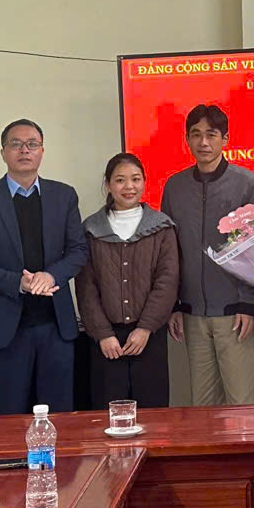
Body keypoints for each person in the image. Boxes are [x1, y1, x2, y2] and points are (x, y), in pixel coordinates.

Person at [0, 118, 88, 414]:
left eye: (32, 144)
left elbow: (78, 250)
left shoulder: (63, 195)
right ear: (3, 152)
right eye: (15, 144)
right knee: (11, 416)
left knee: (59, 415)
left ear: (42, 151)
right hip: (6, 328)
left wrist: (51, 275)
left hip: (56, 327)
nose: (24, 150)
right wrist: (17, 282)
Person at [163, 104, 254, 406]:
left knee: (242, 405)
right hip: (192, 313)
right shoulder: (175, 186)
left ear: (226, 139)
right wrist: (174, 304)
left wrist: (248, 303)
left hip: (235, 313)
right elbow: (169, 251)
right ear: (187, 140)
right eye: (196, 134)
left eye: (211, 134)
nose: (203, 142)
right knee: (202, 407)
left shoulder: (247, 183)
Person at [75, 153, 179, 409]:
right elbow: (86, 287)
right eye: (120, 180)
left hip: (149, 336)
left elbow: (167, 281)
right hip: (105, 341)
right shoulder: (90, 229)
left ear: (144, 182)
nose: (129, 186)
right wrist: (103, 335)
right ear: (108, 184)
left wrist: (145, 328)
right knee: (108, 413)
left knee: (153, 413)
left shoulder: (162, 227)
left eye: (135, 179)